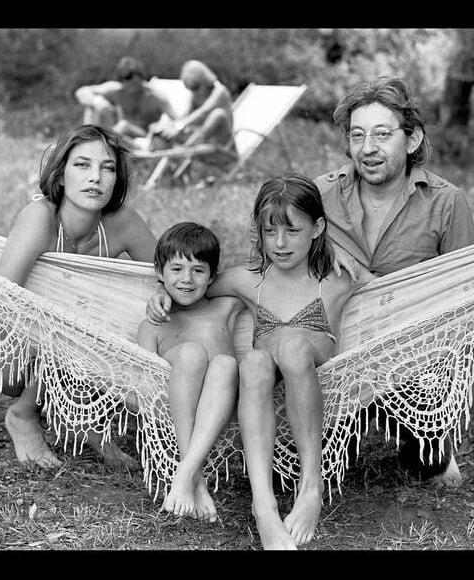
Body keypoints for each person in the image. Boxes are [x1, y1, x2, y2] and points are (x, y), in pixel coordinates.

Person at [146, 174, 356, 550]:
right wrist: (161, 292)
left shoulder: (337, 278)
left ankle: (311, 485)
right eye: (269, 230)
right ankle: (265, 506)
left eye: (293, 230)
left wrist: (340, 250)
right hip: (267, 372)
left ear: (317, 228)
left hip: (311, 364)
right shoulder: (249, 279)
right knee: (254, 361)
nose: (279, 243)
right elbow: (193, 282)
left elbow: (393, 292)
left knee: (291, 347)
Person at [314, 76, 474, 487]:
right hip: (337, 353)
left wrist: (370, 281)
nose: (368, 148)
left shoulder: (445, 201)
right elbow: (269, 257)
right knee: (319, 468)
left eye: (382, 134)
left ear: (411, 138)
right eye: (357, 135)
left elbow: (466, 296)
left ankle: (425, 435)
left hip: (415, 357)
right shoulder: (319, 194)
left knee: (432, 472)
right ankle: (336, 428)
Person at [0, 124, 157, 470]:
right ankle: (23, 415)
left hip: (71, 349)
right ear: (61, 175)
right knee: (81, 309)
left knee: (127, 312)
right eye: (82, 165)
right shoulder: (40, 217)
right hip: (7, 350)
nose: (96, 177)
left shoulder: (122, 222)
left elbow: (166, 276)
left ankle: (82, 421)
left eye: (107, 168)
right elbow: (0, 297)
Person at [136, 222, 245, 522]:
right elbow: (145, 382)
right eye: (177, 269)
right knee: (192, 353)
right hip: (175, 406)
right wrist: (160, 292)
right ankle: (193, 476)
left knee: (225, 364)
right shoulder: (154, 324)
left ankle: (184, 475)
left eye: (198, 270)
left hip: (222, 404)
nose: (187, 279)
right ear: (159, 272)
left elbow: (262, 277)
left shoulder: (227, 307)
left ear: (212, 277)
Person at [74, 56, 176, 149]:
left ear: (141, 78)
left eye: (137, 83)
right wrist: (98, 102)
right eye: (129, 83)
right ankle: (90, 140)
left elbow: (178, 120)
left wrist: (169, 127)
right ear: (122, 81)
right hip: (121, 136)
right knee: (92, 107)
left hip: (146, 139)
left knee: (123, 126)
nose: (134, 88)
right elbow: (82, 92)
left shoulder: (155, 97)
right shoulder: (116, 91)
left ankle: (100, 143)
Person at [153, 60, 235, 160]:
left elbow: (203, 112)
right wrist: (169, 126)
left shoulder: (219, 92)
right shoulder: (195, 95)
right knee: (168, 124)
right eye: (190, 89)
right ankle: (166, 150)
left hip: (223, 144)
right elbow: (186, 116)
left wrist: (179, 127)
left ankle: (185, 149)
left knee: (218, 114)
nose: (194, 92)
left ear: (204, 80)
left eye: (195, 87)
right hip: (203, 141)